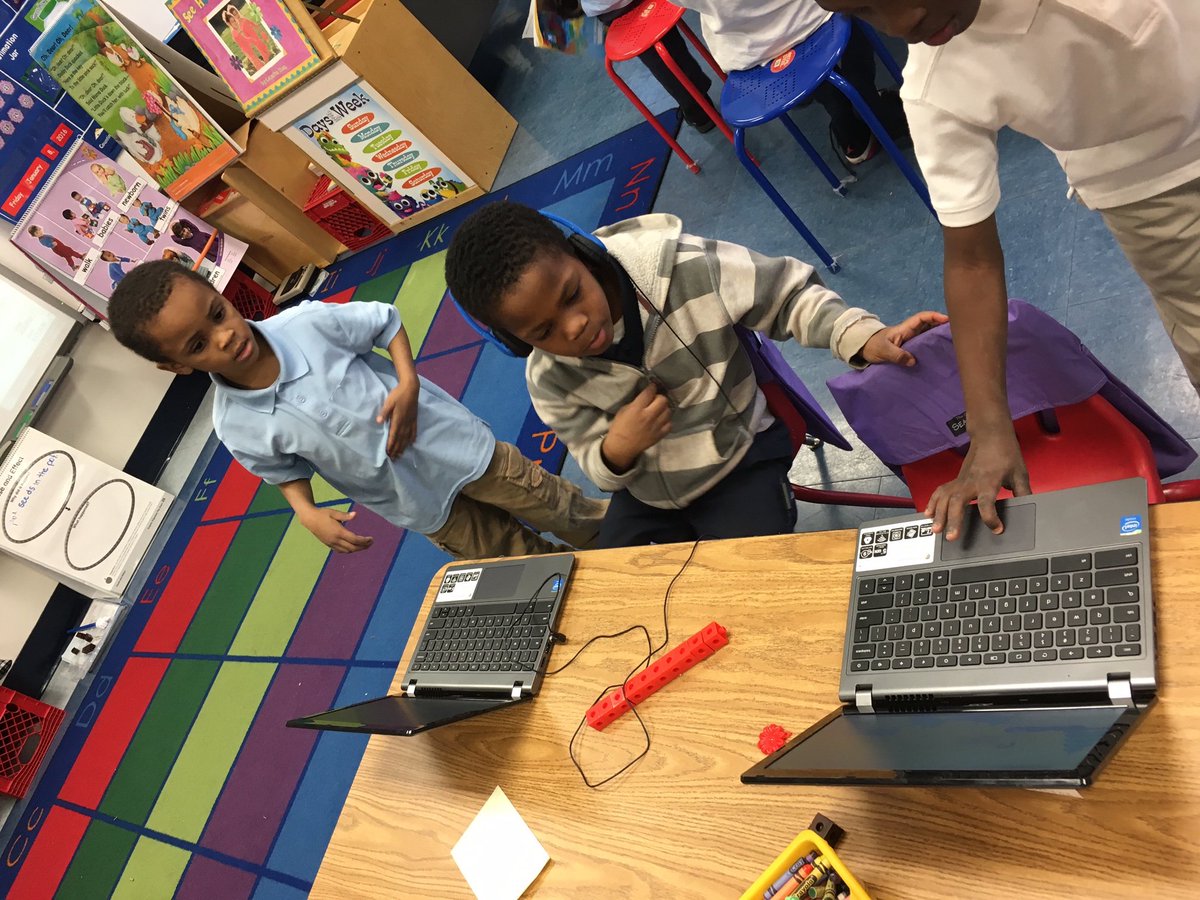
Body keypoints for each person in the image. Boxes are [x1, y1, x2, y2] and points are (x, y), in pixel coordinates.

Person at [814, 0, 1200, 541]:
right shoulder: (936, 83)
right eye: (865, 13)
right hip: (1147, 185)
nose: (901, 25)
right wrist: (990, 428)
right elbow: (971, 258)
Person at [446, 201, 945, 547]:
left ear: (584, 255)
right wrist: (617, 450)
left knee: (744, 583)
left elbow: (787, 295)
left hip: (738, 459)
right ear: (515, 342)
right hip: (649, 495)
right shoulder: (549, 378)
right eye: (543, 330)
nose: (574, 327)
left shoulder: (683, 267)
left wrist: (858, 334)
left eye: (573, 294)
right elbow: (594, 464)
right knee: (628, 589)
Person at [107, 261, 608, 559]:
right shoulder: (234, 423)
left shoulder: (304, 325)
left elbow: (384, 323)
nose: (226, 336)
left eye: (218, 313)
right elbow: (281, 469)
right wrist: (306, 512)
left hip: (463, 450)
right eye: (199, 345)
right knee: (516, 563)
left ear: (221, 295)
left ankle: (637, 541)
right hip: (416, 503)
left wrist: (407, 381)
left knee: (563, 509)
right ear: (174, 366)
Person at [672, 0, 908, 165]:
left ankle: (847, 127)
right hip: (813, 15)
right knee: (853, 18)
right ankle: (872, 105)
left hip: (747, 48)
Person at [540, 0, 719, 133]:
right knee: (670, 44)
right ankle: (699, 99)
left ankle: (697, 111)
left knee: (657, 59)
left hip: (613, 10)